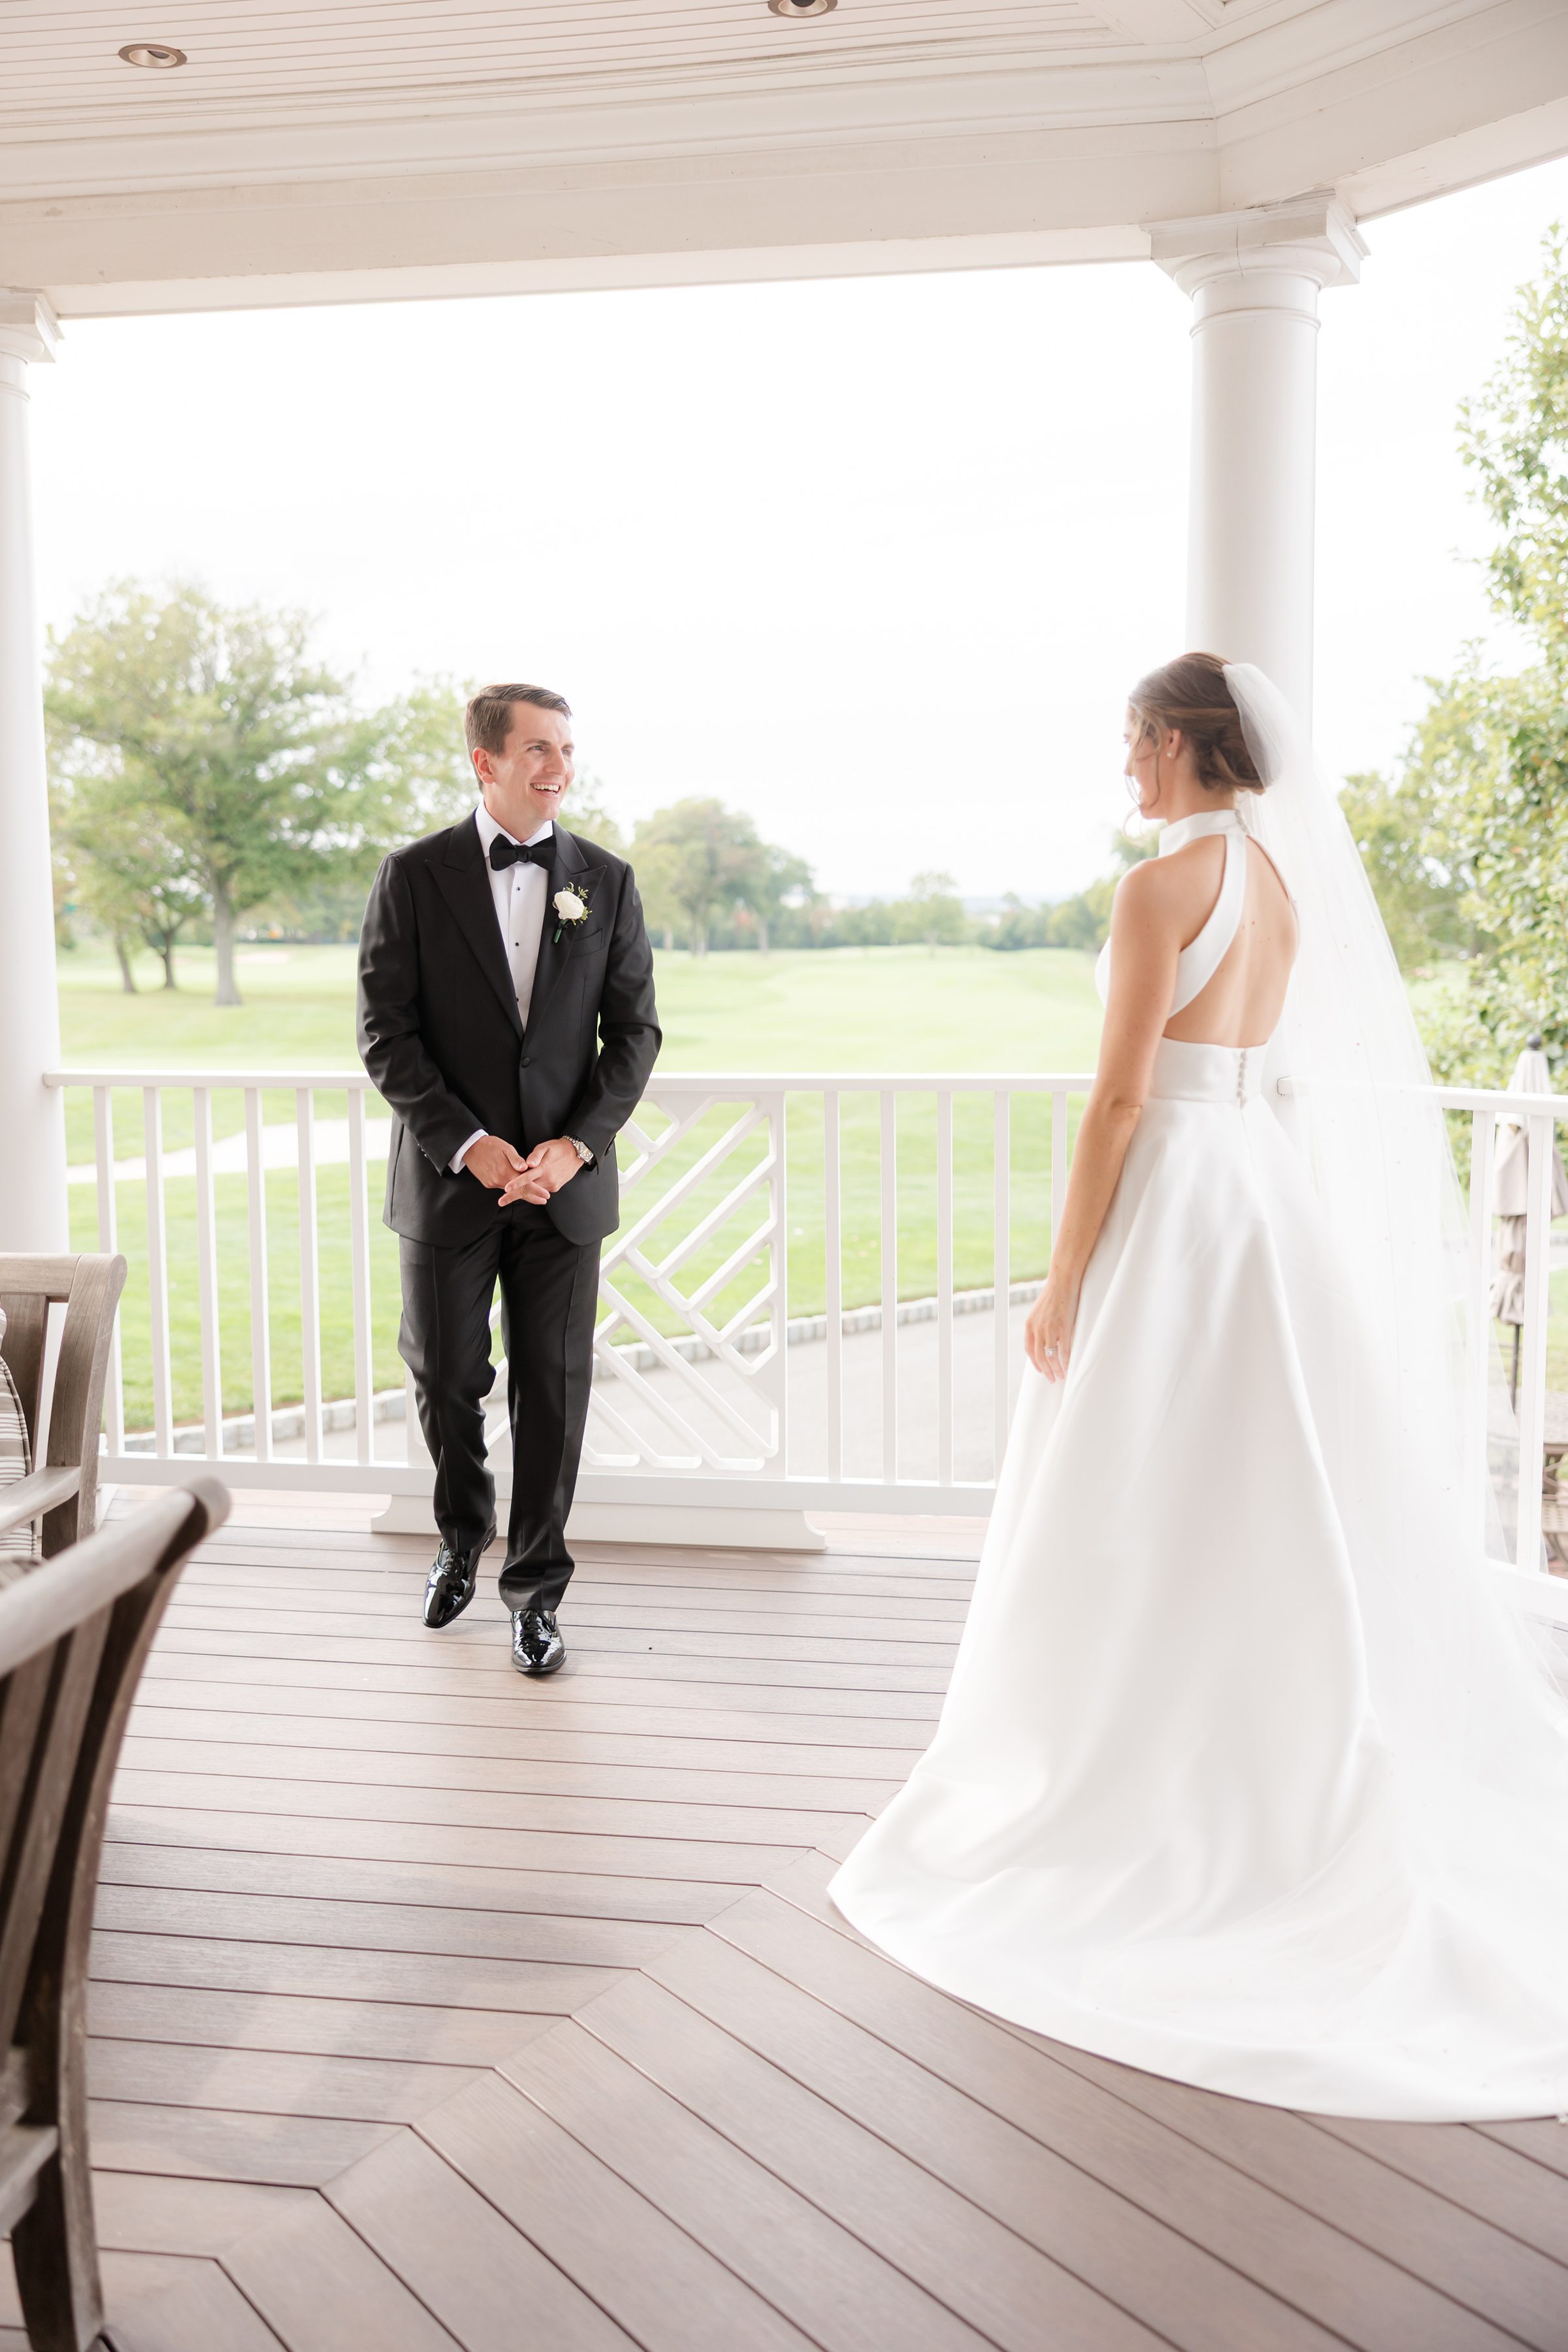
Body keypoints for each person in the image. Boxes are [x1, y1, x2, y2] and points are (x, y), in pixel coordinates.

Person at [829, 653, 1568, 2121]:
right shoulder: (1281, 892)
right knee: (1257, 1479)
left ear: (1179, 742)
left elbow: (1118, 1097)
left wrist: (1058, 1278)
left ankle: (1123, 1762)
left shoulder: (1160, 892)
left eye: (1131, 741)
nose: (1123, 769)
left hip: (1173, 1194)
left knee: (1128, 1489)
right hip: (1254, 1196)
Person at [357, 684, 660, 1674]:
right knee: (447, 1377)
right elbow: (386, 1035)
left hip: (564, 1188)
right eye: (537, 748)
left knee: (553, 1391)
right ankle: (460, 1531)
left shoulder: (606, 882)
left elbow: (636, 1036)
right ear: (485, 762)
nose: (557, 766)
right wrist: (468, 1142)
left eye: (566, 748)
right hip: (453, 1183)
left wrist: (574, 1147)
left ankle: (536, 1589)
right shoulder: (413, 876)